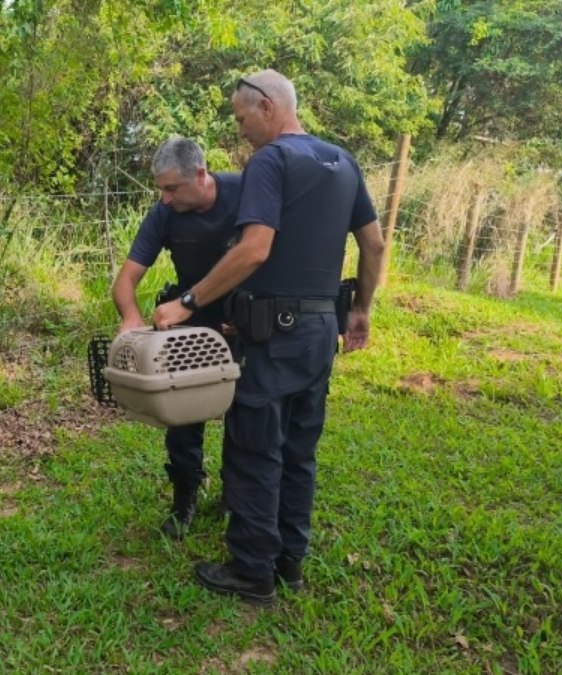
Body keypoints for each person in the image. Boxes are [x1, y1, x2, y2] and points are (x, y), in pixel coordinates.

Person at [152, 69, 385, 605]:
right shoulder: (343, 161)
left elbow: (255, 249)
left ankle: (252, 571)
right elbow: (372, 245)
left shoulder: (271, 162)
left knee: (255, 448)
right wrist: (363, 309)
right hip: (323, 327)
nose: (241, 132)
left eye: (241, 119)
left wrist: (189, 302)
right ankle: (290, 565)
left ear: (266, 106)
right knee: (299, 451)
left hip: (273, 332)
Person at [111, 136, 242, 539]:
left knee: (247, 412)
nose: (165, 199)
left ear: (201, 175)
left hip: (245, 317)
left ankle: (236, 497)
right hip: (189, 319)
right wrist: (131, 317)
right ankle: (185, 494)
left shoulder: (246, 193)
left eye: (172, 188)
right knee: (182, 413)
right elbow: (126, 280)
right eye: (160, 190)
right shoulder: (164, 214)